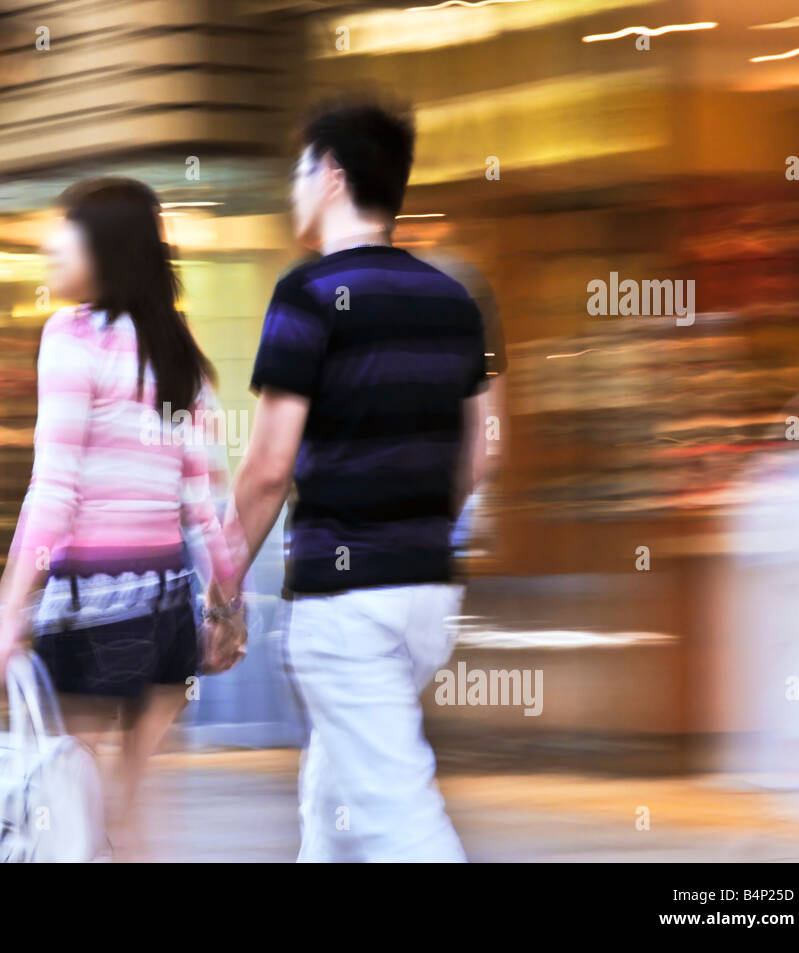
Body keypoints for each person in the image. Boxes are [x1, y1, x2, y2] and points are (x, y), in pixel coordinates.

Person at [219, 100, 492, 862]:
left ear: (331, 174)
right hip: (425, 595)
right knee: (335, 807)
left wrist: (222, 589)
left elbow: (269, 467)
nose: (292, 187)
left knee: (401, 819)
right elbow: (475, 454)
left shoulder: (306, 296)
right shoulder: (451, 299)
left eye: (299, 168)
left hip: (347, 604)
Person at [0, 178, 247, 857]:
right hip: (167, 617)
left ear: (105, 246)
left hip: (94, 610)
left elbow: (54, 493)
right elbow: (203, 508)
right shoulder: (179, 351)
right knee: (128, 820)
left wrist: (9, 613)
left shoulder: (72, 337)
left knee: (72, 820)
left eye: (67, 227)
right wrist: (226, 611)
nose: (50, 242)